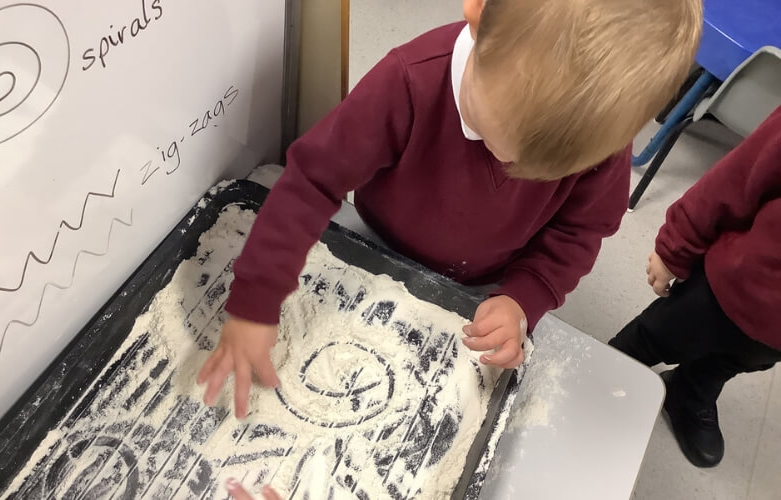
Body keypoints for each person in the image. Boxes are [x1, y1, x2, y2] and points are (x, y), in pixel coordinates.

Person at [197, 0, 703, 421]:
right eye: (499, 138)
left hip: (487, 283)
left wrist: (523, 299)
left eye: (543, 169)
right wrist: (255, 301)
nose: (510, 167)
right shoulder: (408, 82)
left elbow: (578, 234)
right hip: (374, 239)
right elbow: (311, 180)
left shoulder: (597, 142)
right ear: (479, 13)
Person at [609, 106, 781, 467]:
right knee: (653, 337)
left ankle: (688, 394)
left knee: (731, 363)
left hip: (774, 336)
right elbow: (736, 179)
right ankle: (605, 372)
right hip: (732, 286)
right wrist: (675, 248)